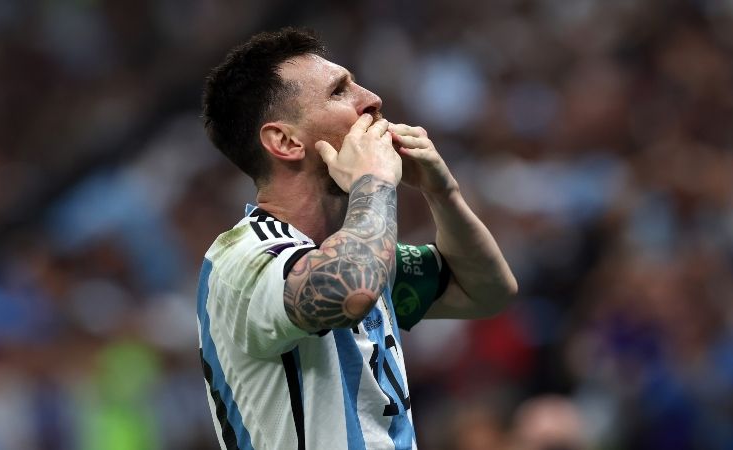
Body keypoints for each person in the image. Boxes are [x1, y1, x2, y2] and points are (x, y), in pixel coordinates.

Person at [196, 27, 517, 450]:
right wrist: (374, 181)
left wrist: (443, 194)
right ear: (286, 141)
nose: (372, 99)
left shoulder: (362, 251)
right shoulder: (242, 258)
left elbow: (488, 291)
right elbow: (352, 290)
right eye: (340, 91)